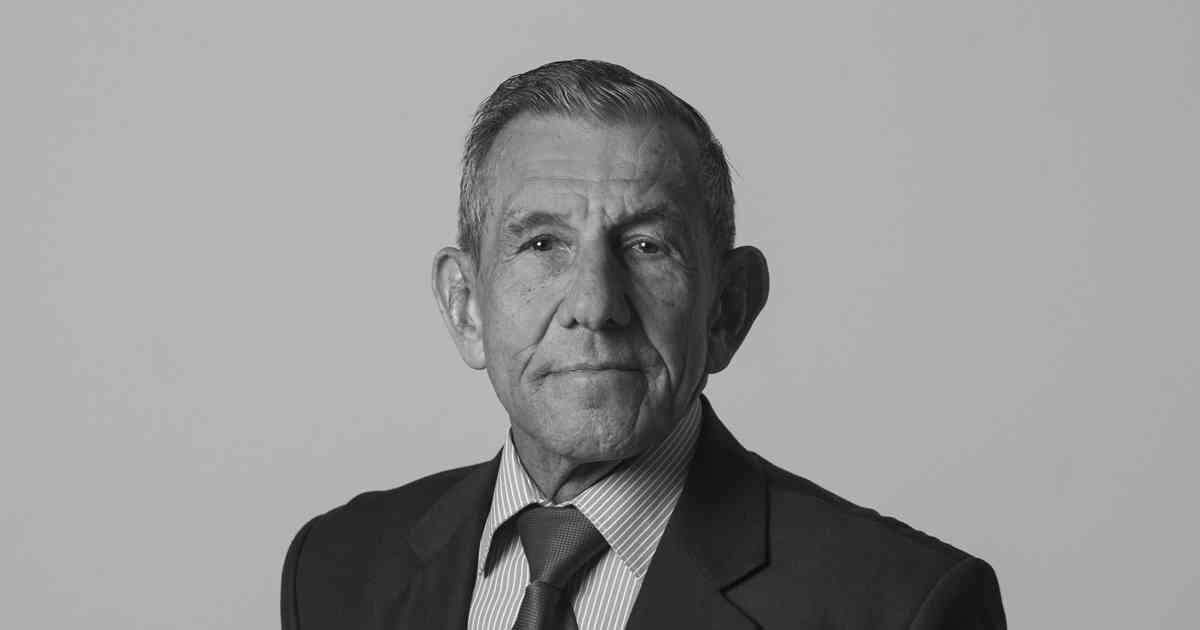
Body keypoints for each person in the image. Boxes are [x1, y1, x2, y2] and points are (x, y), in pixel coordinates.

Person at [280, 59, 1006, 630]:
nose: (595, 306)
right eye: (542, 244)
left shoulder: (903, 608)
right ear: (465, 305)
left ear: (727, 309)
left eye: (647, 246)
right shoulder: (336, 571)